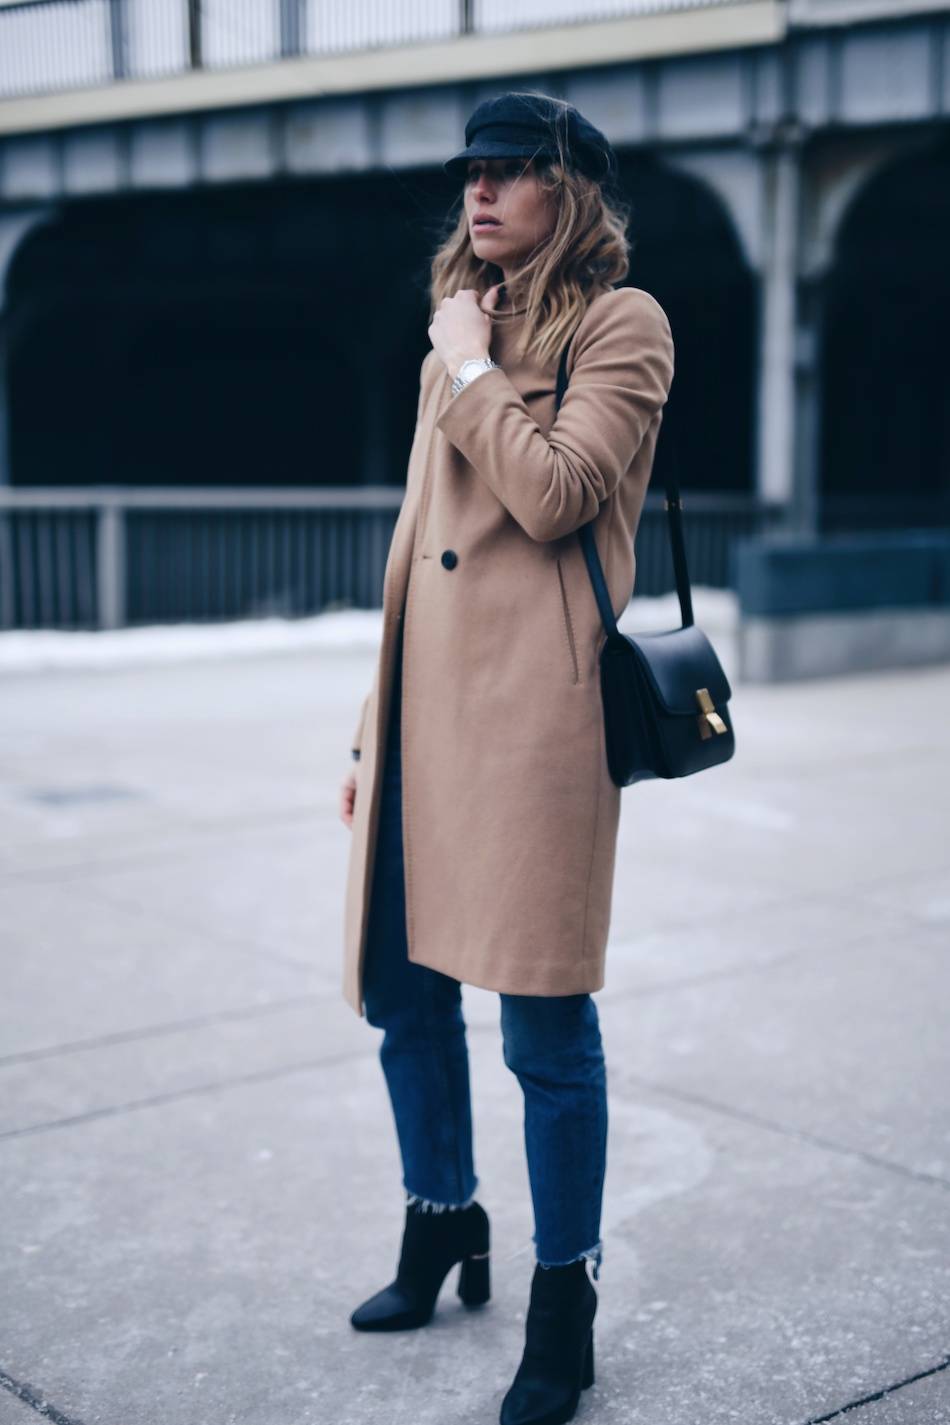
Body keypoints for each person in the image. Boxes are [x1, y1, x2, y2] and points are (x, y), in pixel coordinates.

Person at [337, 91, 675, 1425]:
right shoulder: (454, 327)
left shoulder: (620, 323)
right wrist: (370, 731)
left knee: (542, 1022)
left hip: (539, 717)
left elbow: (550, 493)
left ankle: (562, 1296)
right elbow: (417, 552)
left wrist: (472, 366)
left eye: (510, 172)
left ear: (568, 190)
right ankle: (440, 1219)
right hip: (426, 712)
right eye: (469, 172)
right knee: (402, 994)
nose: (479, 193)